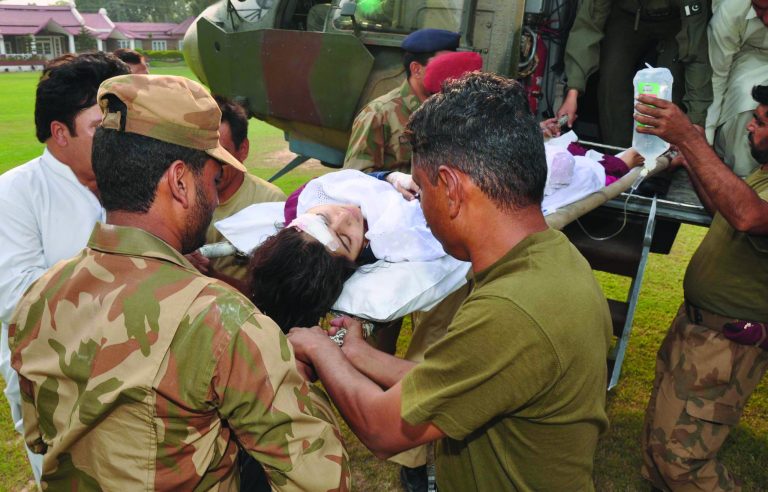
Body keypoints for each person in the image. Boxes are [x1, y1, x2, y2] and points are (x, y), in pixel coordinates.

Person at [8, 74, 349, 491]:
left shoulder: (40, 297)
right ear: (181, 182)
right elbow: (322, 477)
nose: (216, 193)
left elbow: (42, 439)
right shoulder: (221, 319)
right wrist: (288, 372)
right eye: (213, 177)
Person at [287, 72, 613, 491]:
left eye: (421, 191)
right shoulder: (551, 259)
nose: (420, 208)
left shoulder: (511, 311)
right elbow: (460, 379)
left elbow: (383, 428)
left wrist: (319, 348)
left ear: (453, 189)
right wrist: (357, 352)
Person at [0, 52, 130, 483]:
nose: (116, 139)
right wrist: (129, 273)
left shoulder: (128, 181)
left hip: (133, 373)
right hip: (53, 387)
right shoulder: (15, 194)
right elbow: (15, 295)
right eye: (100, 127)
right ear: (60, 133)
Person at [634, 85, 768, 490]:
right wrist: (689, 158)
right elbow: (726, 212)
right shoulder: (765, 172)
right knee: (659, 449)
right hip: (699, 330)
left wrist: (690, 139)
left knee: (682, 461)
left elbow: (746, 215)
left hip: (727, 345)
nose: (749, 125)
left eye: (761, 122)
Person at [557, 0, 712, 148]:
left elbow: (697, 53)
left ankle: (666, 159)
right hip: (627, 15)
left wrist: (697, 123)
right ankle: (618, 158)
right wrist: (573, 92)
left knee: (671, 84)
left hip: (676, 20)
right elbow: (587, 26)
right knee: (612, 79)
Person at [192, 96, 285, 286]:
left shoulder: (271, 204)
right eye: (204, 153)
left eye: (221, 153)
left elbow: (272, 294)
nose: (211, 165)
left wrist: (211, 275)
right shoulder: (184, 197)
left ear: (243, 150)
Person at [343, 28, 460, 173]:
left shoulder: (453, 110)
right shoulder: (379, 114)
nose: (450, 74)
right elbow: (354, 178)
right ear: (416, 69)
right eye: (443, 66)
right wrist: (389, 178)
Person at [705, 0, 768, 176]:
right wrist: (705, 139)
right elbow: (716, 75)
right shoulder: (731, 10)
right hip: (747, 56)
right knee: (750, 102)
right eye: (760, 9)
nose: (767, 19)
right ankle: (744, 180)